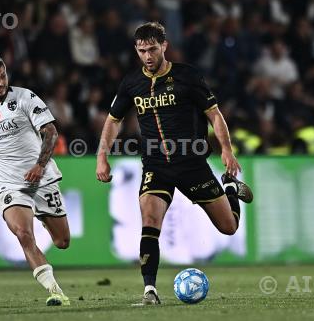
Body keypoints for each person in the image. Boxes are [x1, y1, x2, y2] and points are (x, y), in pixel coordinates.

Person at [95, 22, 253, 305]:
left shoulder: (187, 76)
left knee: (228, 228)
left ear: (164, 46)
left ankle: (230, 188)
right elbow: (113, 120)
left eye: (153, 49)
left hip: (192, 165)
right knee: (150, 220)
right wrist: (102, 155)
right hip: (156, 166)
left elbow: (214, 115)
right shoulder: (132, 83)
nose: (147, 56)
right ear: (136, 50)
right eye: (142, 50)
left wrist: (226, 150)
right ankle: (150, 291)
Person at [0, 56, 70, 306]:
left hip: (42, 180)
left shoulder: (25, 98)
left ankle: (43, 216)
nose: (0, 82)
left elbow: (51, 132)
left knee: (62, 241)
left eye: (3, 76)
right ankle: (56, 291)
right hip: (11, 186)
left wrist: (39, 165)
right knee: (23, 234)